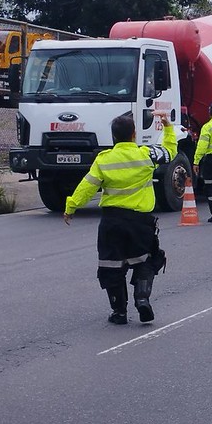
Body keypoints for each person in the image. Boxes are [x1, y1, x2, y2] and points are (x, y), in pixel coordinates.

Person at [64, 113, 177, 325]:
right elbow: (170, 152)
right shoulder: (146, 155)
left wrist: (71, 206)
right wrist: (167, 126)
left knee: (111, 266)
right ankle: (142, 298)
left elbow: (87, 186)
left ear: (113, 137)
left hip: (112, 222)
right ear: (134, 134)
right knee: (146, 259)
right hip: (141, 222)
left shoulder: (104, 159)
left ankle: (119, 312)